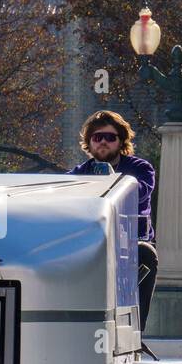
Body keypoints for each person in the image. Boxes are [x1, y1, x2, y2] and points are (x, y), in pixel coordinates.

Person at [67, 111, 157, 332]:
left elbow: (140, 191)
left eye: (110, 137)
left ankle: (137, 330)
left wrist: (109, 181)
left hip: (131, 245)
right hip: (93, 244)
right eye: (97, 138)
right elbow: (63, 200)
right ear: (88, 142)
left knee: (147, 255)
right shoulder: (79, 173)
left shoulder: (140, 168)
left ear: (121, 141)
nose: (103, 143)